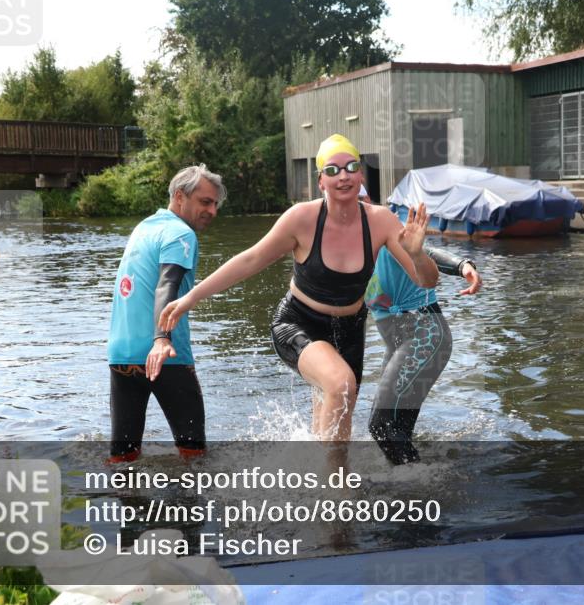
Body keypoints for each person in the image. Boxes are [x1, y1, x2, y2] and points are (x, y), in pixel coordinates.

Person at [159, 134, 438, 441]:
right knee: (340, 384)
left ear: (361, 175)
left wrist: (415, 253)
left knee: (338, 409)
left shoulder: (381, 221)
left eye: (351, 167)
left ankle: (323, 477)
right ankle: (337, 487)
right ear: (321, 181)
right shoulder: (301, 219)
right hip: (298, 322)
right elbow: (250, 259)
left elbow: (426, 281)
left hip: (349, 330)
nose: (343, 176)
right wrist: (192, 296)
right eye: (332, 170)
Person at [106, 164, 226, 462]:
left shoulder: (145, 227)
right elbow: (166, 285)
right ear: (180, 196)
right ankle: (189, 508)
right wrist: (162, 338)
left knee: (123, 457)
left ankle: (126, 507)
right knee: (194, 455)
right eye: (205, 202)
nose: (212, 211)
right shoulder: (180, 234)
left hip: (122, 354)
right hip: (165, 357)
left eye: (215, 204)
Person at [365, 238, 482, 464]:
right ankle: (416, 482)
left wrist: (462, 266)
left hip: (426, 336)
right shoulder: (348, 259)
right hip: (398, 345)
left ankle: (415, 484)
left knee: (380, 426)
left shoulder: (383, 237)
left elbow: (424, 252)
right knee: (395, 426)